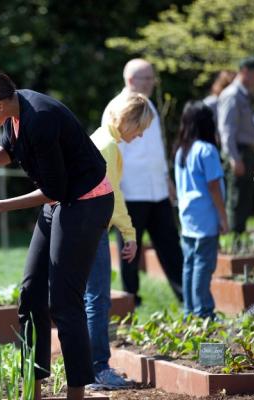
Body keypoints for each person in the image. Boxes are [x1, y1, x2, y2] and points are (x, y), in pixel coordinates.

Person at [0, 65, 114, 400]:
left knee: (64, 302)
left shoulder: (39, 116)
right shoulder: (15, 110)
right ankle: (34, 388)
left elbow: (54, 190)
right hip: (60, 200)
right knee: (31, 295)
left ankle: (76, 392)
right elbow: (10, 149)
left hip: (85, 202)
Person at [85, 93, 154, 390]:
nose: (139, 135)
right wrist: (130, 233)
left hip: (81, 226)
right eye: (139, 128)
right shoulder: (109, 146)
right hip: (93, 228)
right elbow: (112, 196)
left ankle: (85, 368)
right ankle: (98, 369)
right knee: (98, 301)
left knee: (89, 299)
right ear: (127, 120)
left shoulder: (99, 138)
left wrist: (128, 232)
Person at [102, 58, 183, 305]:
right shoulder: (116, 107)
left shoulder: (149, 106)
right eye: (145, 78)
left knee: (170, 245)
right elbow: (112, 152)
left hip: (157, 191)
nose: (150, 83)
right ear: (129, 80)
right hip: (130, 192)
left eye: (151, 78)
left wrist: (167, 180)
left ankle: (186, 297)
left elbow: (157, 149)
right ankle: (131, 300)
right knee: (130, 250)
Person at [174, 101, 228, 318]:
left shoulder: (181, 151)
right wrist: (223, 218)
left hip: (187, 216)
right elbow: (213, 187)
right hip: (205, 216)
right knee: (204, 266)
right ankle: (203, 311)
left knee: (189, 264)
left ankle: (189, 310)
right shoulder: (207, 150)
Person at [217, 56, 254, 235]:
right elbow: (226, 130)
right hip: (238, 152)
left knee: (245, 199)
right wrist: (234, 158)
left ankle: (240, 236)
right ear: (245, 71)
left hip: (247, 152)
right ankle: (233, 239)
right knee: (236, 200)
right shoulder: (232, 95)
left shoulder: (245, 95)